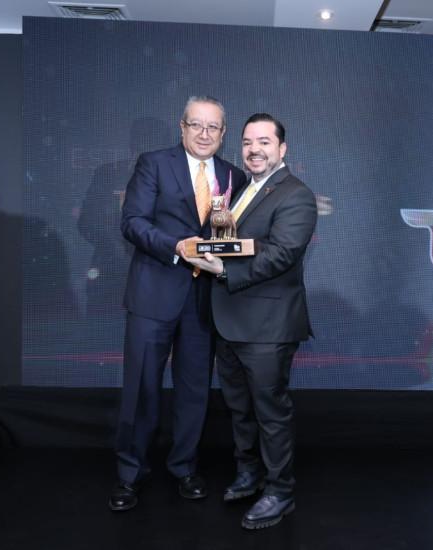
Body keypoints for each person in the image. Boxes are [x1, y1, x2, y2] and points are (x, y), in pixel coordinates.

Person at [109, 96, 247, 511]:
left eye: (213, 127)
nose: (204, 134)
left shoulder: (233, 175)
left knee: (194, 389)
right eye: (196, 125)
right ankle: (129, 474)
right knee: (141, 387)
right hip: (154, 293)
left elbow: (231, 236)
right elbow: (132, 222)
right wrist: (176, 247)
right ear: (182, 127)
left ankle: (185, 467)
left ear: (223, 133)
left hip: (205, 300)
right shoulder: (153, 163)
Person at [186, 113, 317, 529]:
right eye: (247, 142)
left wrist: (224, 271)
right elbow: (228, 242)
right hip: (229, 322)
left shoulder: (296, 195)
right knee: (239, 409)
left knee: (270, 414)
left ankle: (280, 492)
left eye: (264, 142)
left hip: (268, 327)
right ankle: (249, 474)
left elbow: (282, 253)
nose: (254, 150)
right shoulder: (240, 190)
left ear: (282, 149)